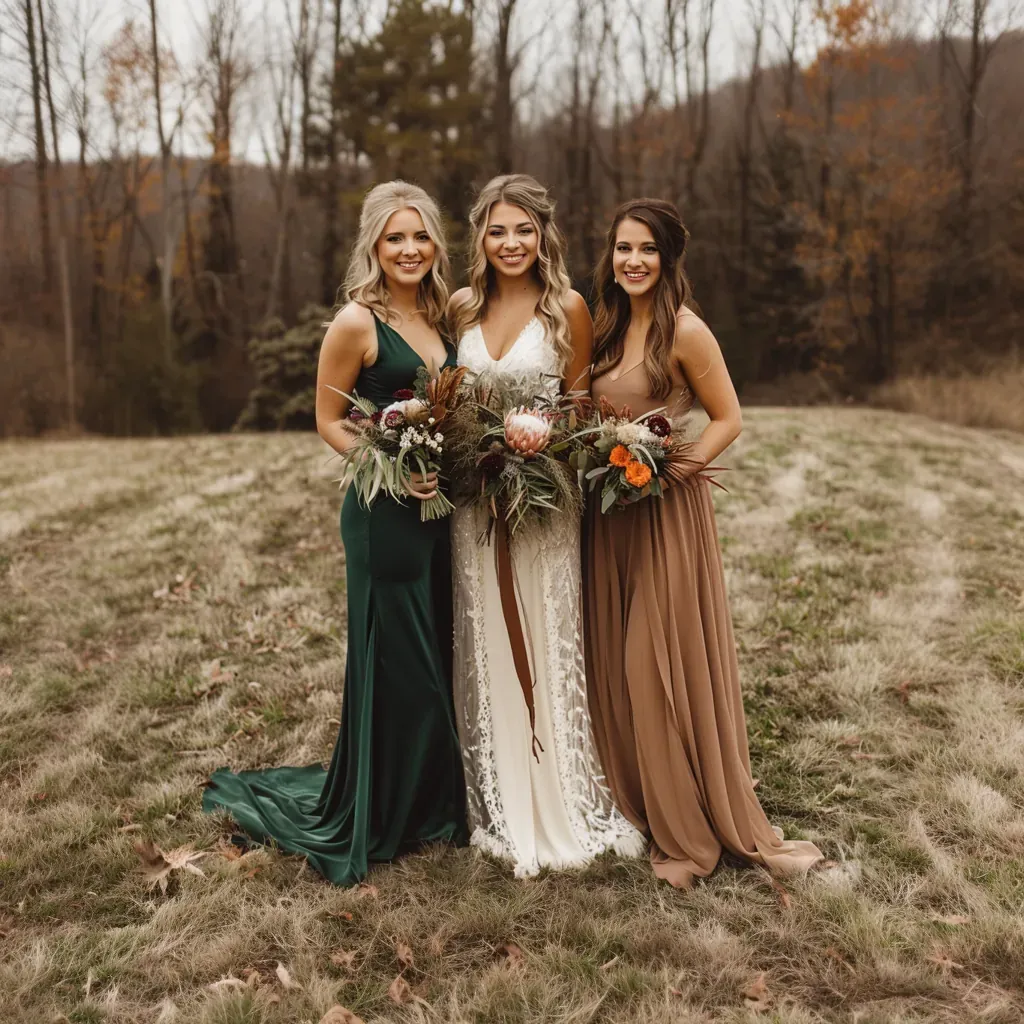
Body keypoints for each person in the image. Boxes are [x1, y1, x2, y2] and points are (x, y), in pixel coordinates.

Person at [203, 181, 467, 885]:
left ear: (436, 244)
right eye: (394, 238)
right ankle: (389, 811)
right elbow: (326, 421)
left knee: (436, 649)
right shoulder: (357, 322)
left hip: (441, 510)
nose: (409, 250)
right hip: (384, 512)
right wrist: (389, 459)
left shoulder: (443, 318)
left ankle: (431, 798)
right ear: (373, 247)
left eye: (419, 236)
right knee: (400, 658)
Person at [583, 198, 824, 888]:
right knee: (613, 665)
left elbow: (729, 418)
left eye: (647, 250)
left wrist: (669, 471)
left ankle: (690, 839)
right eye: (623, 248)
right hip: (608, 518)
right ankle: (645, 805)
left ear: (668, 260)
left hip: (662, 514)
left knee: (650, 665)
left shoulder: (685, 332)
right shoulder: (604, 329)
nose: (632, 261)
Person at [448, 173, 643, 878]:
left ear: (543, 234)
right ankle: (498, 802)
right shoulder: (461, 306)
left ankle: (561, 795)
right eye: (497, 230)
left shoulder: (568, 309)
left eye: (522, 229)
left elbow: (582, 408)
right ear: (480, 237)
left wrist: (541, 436)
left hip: (545, 506)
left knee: (546, 633)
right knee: (487, 637)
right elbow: (448, 403)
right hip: (476, 508)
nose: (510, 243)